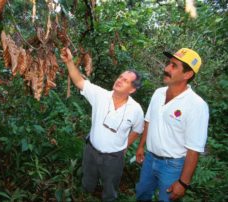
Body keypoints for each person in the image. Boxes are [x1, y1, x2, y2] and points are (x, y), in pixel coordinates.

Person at [60, 47, 144, 201]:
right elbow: (79, 81)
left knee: (110, 189)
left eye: (125, 81)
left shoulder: (136, 110)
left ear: (132, 89)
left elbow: (138, 130)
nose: (119, 80)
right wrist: (70, 62)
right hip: (91, 151)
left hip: (114, 158)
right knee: (87, 182)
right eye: (120, 77)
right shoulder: (101, 95)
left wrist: (125, 146)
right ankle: (85, 195)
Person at [135, 48, 209, 201]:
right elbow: (149, 121)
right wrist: (141, 146)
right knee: (142, 194)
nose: (166, 68)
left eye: (174, 66)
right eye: (169, 63)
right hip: (150, 159)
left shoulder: (196, 106)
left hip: (172, 167)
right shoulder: (158, 93)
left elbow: (193, 149)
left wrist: (183, 182)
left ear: (187, 75)